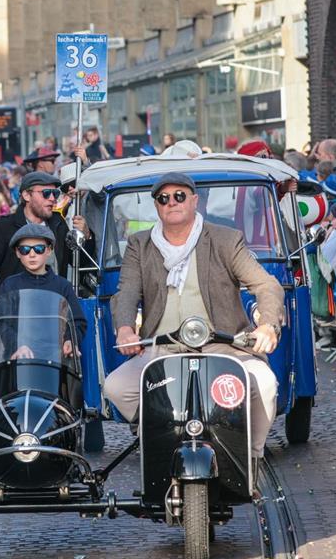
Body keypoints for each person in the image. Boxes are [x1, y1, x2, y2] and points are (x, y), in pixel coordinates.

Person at [104, 173, 283, 462]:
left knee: (263, 383)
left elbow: (267, 284)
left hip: (225, 345)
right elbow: (126, 292)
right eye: (163, 198)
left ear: (195, 200)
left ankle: (250, 457)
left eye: (179, 196)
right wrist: (125, 329)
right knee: (116, 386)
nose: (171, 202)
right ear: (157, 206)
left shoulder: (225, 239)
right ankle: (158, 432)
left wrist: (267, 325)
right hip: (162, 349)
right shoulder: (140, 244)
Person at [0, 171, 93, 324]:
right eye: (46, 193)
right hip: (13, 317)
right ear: (26, 195)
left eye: (55, 193)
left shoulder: (58, 224)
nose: (52, 198)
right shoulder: (4, 226)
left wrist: (87, 236)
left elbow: (79, 262)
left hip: (53, 316)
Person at [0, 223, 87, 360]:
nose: (32, 254)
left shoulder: (63, 286)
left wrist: (70, 340)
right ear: (18, 253)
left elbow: (77, 321)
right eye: (25, 249)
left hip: (56, 358)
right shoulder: (10, 284)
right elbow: (1, 321)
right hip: (19, 356)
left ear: (49, 250)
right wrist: (16, 344)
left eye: (39, 249)